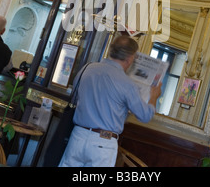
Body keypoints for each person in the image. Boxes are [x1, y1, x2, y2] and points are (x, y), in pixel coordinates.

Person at [58, 35, 162, 167]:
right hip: (103, 144)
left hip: (78, 136)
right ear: (130, 58)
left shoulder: (87, 68)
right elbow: (145, 115)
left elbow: (77, 95)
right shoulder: (127, 84)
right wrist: (154, 97)